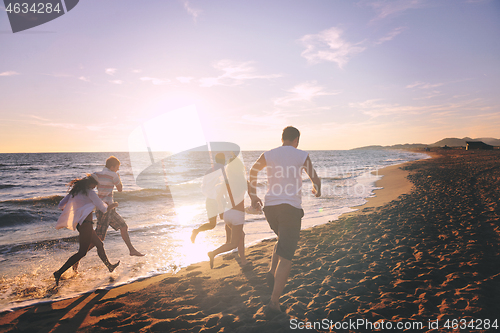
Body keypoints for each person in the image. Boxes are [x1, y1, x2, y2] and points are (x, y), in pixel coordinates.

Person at [249, 126, 321, 314]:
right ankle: (273, 303)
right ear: (296, 139)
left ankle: (271, 273)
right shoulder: (301, 155)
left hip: (270, 208)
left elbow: (252, 171)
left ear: (282, 138)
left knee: (282, 240)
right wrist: (317, 190)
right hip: (290, 210)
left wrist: (252, 196)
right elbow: (315, 178)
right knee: (287, 256)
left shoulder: (269, 154)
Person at [54, 175, 120, 286]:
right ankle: (58, 272)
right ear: (90, 184)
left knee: (99, 244)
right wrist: (112, 205)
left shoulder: (75, 192)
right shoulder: (90, 192)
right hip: (86, 224)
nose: (94, 188)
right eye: (94, 186)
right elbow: (103, 208)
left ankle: (110, 267)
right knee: (82, 252)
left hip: (81, 224)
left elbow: (61, 205)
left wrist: (76, 211)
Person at [208, 154, 248, 268]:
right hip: (237, 214)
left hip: (227, 214)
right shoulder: (244, 182)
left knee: (241, 235)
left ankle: (244, 261)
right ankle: (213, 253)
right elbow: (252, 195)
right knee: (233, 243)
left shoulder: (226, 182)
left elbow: (218, 198)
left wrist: (221, 212)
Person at [191, 153, 229, 243]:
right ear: (223, 160)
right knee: (227, 220)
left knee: (212, 224)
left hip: (210, 199)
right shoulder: (223, 169)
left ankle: (196, 231)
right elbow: (226, 183)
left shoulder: (208, 171)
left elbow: (204, 186)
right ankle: (229, 242)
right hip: (219, 199)